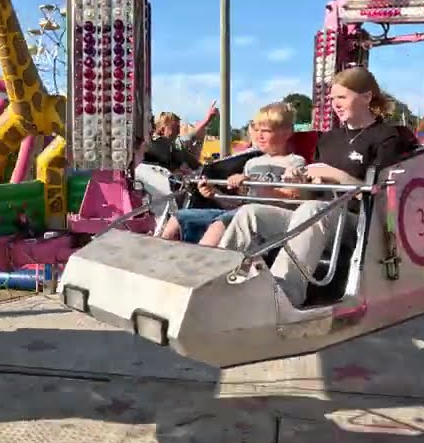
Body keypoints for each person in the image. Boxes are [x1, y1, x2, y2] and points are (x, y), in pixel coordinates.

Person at [219, 67, 409, 308]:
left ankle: (284, 295)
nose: (335, 104)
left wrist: (333, 174)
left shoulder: (386, 137)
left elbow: (381, 195)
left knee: (313, 209)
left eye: (342, 97)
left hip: (358, 222)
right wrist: (300, 182)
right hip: (317, 215)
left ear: (366, 97)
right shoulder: (328, 139)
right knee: (250, 214)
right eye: (332, 98)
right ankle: (219, 280)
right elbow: (313, 191)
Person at [160, 102, 305, 245]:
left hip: (266, 222)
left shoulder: (294, 162)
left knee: (219, 225)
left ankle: (201, 260)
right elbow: (236, 205)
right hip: (239, 214)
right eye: (257, 130)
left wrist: (258, 187)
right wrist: (214, 193)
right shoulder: (251, 163)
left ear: (287, 132)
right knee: (177, 218)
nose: (259, 135)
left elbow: (292, 200)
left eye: (266, 131)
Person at [142, 101, 218, 173]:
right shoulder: (151, 145)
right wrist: (207, 120)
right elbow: (190, 137)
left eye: (178, 128)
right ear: (162, 130)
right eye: (175, 129)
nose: (178, 132)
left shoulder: (174, 147)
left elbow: (194, 163)